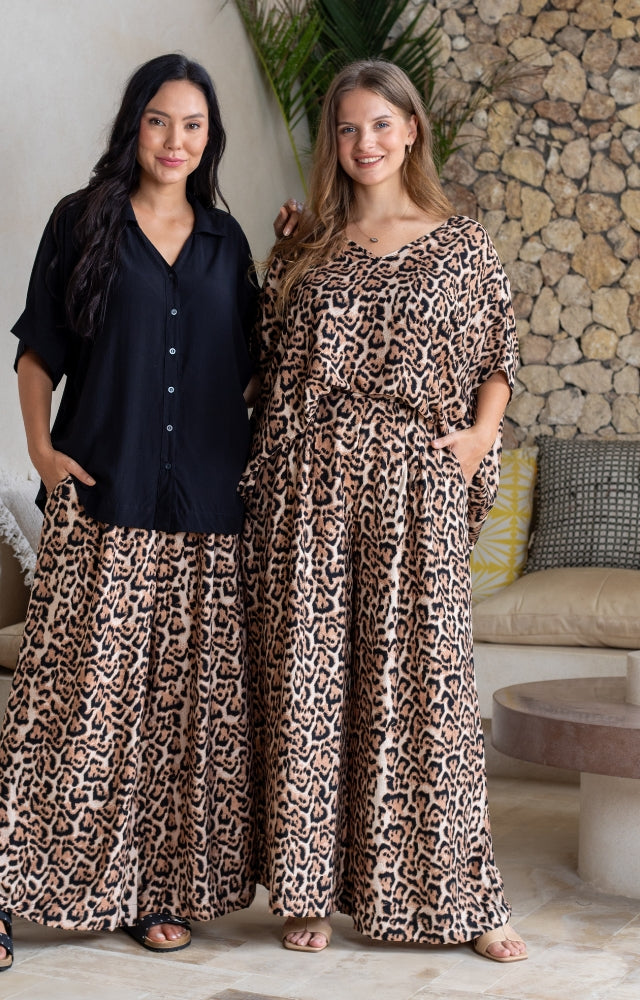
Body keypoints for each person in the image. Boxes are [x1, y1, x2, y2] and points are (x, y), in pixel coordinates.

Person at [0, 53, 262, 972]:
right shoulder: (81, 221)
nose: (177, 140)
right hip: (103, 501)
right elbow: (38, 348)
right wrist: (42, 453)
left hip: (208, 510)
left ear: (211, 139)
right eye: (161, 120)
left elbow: (251, 367)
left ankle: (153, 892)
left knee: (178, 723)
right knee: (63, 712)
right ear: (135, 124)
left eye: (194, 126)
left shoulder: (226, 241)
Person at [239, 59, 527, 964]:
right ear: (336, 142)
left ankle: (467, 899)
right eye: (347, 129)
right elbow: (256, 366)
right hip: (312, 487)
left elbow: (497, 356)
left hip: (415, 488)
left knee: (429, 693)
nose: (364, 144)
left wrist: (480, 440)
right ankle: (309, 887)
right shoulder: (306, 249)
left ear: (412, 130)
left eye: (380, 125)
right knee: (314, 690)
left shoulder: (461, 241)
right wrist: (278, 256)